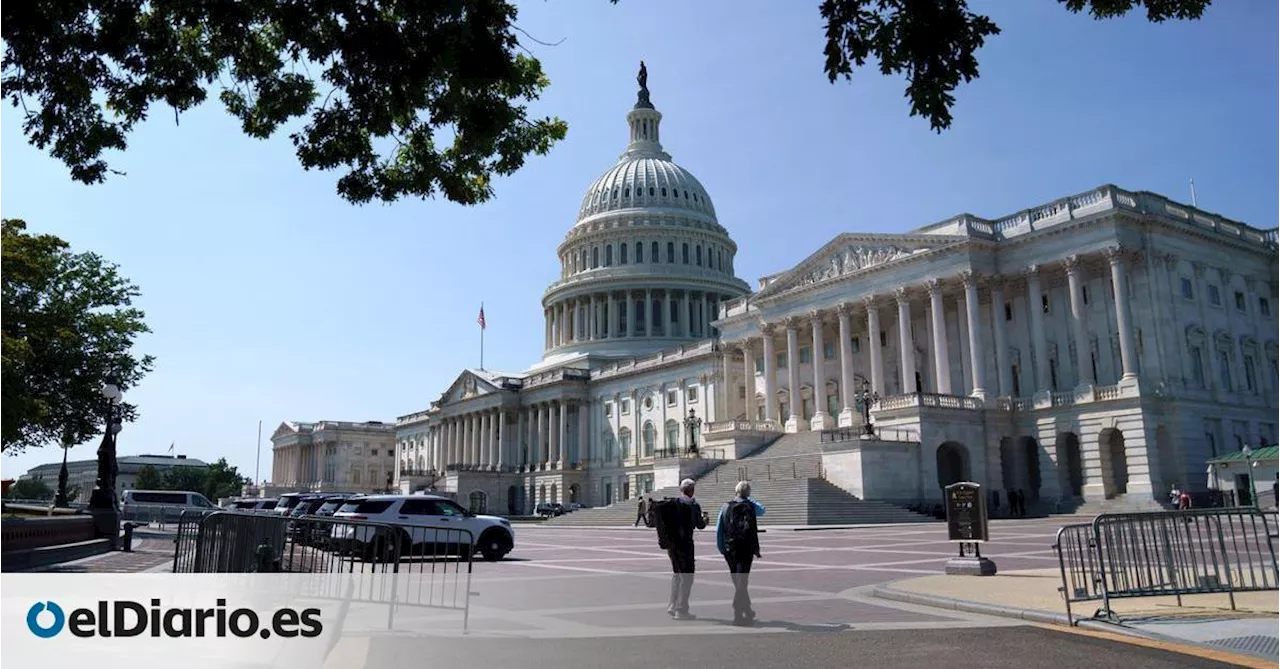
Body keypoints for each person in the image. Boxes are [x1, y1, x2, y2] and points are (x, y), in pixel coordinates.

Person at [717, 480, 765, 626]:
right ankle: (738, 613)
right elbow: (762, 510)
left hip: (730, 548)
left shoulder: (726, 506)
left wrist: (721, 548)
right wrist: (747, 498)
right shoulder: (750, 506)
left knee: (739, 581)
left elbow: (720, 529)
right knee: (742, 581)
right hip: (746, 548)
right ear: (748, 493)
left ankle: (747, 610)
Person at [666, 478, 707, 620]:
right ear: (691, 490)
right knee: (687, 577)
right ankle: (681, 610)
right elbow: (700, 525)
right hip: (686, 544)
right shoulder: (693, 504)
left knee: (677, 574)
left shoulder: (673, 503)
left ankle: (672, 605)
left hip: (672, 545)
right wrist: (705, 520)